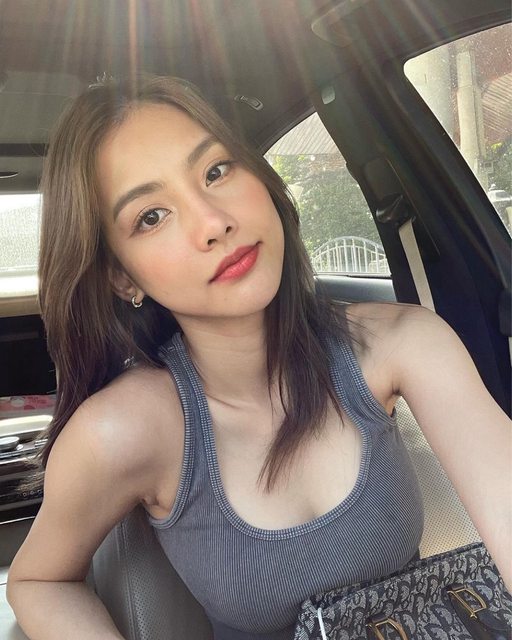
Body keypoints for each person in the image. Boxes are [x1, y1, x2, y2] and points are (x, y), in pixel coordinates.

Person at [6, 75, 511, 640]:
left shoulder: (404, 344)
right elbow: (38, 581)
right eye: (151, 216)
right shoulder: (122, 431)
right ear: (123, 276)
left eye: (216, 171)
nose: (213, 222)